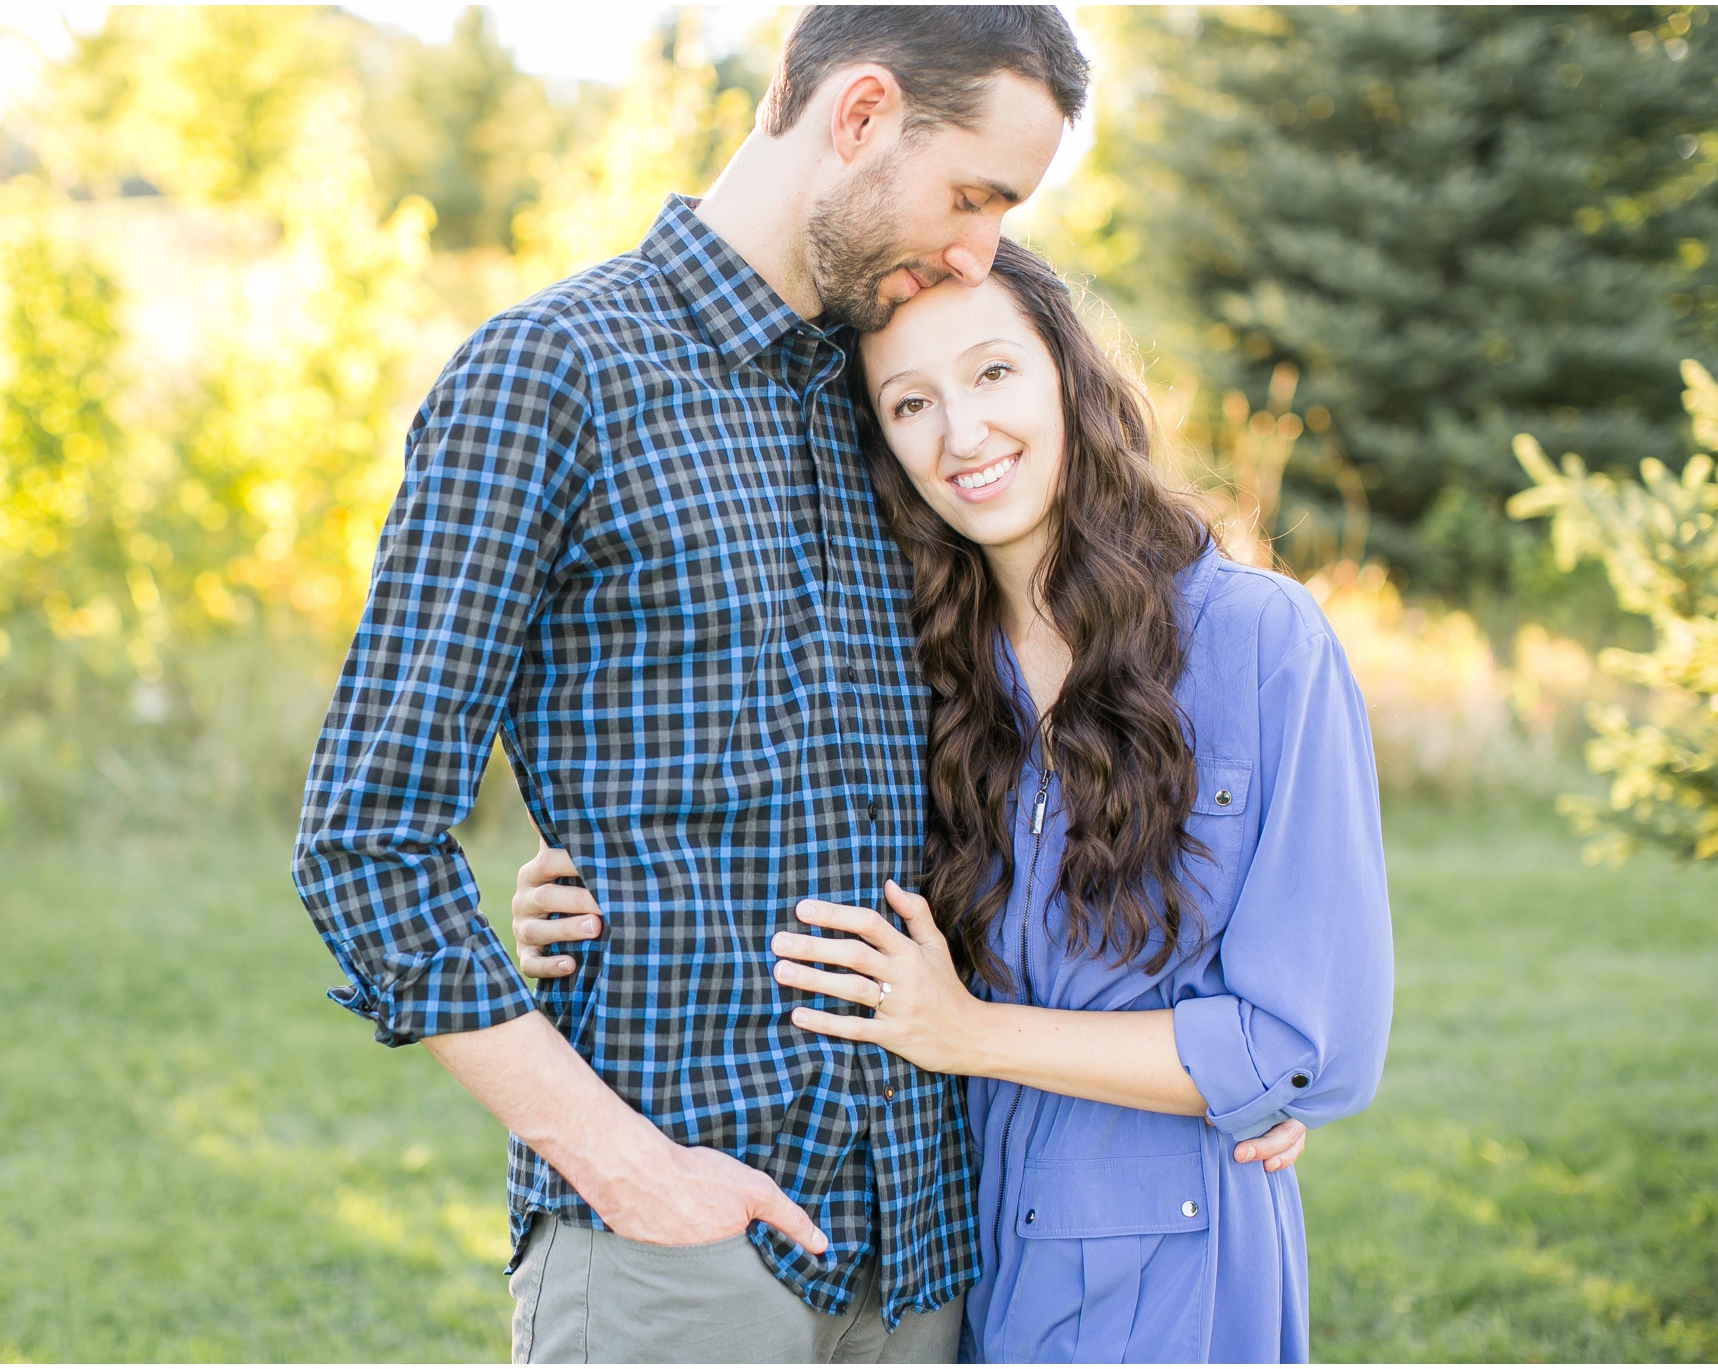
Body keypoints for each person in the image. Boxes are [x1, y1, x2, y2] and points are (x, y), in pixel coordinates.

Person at [296, 5, 1302, 1362]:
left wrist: (1222, 1058)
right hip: (680, 1243)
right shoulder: (551, 376)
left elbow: (1034, 754)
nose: (978, 248)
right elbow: (365, 837)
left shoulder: (903, 396)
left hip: (934, 1245)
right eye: (973, 194)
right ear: (861, 114)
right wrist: (624, 1167)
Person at [513, 242, 1394, 1362]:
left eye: (991, 374)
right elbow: (786, 854)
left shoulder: (1260, 640)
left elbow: (1307, 1046)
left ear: (1066, 373)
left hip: (1170, 1269)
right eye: (909, 402)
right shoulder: (917, 659)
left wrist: (969, 1033)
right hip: (955, 1263)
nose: (961, 435)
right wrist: (582, 891)